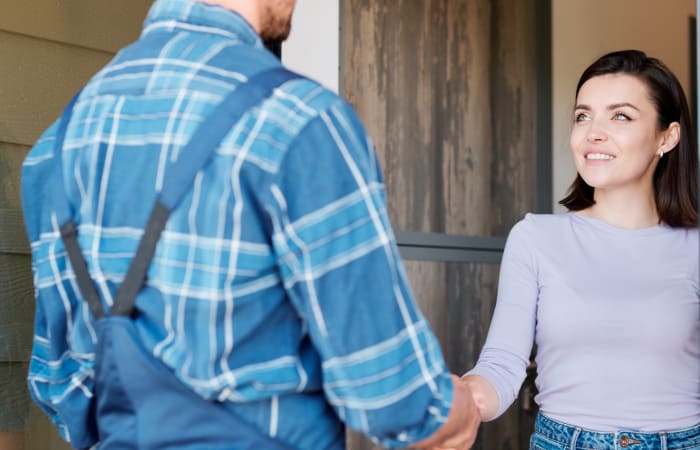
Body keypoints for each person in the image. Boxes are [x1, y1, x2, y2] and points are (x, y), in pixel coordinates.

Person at [20, 0, 482, 449]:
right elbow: (393, 397)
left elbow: (61, 386)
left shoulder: (56, 145)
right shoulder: (300, 120)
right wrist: (458, 407)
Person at [462, 49, 699, 449]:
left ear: (667, 136)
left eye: (620, 116)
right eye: (583, 116)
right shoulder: (535, 238)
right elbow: (501, 366)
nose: (593, 132)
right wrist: (464, 400)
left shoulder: (694, 247)